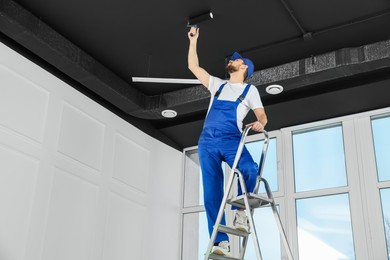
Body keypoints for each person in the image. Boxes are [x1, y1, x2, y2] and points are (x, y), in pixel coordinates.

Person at [187, 26, 268, 257]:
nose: (231, 62)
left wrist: (260, 122)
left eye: (236, 61)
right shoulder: (217, 85)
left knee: (250, 168)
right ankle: (221, 242)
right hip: (207, 142)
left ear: (243, 68)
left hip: (231, 139)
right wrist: (193, 41)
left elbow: (262, 115)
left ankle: (241, 211)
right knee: (212, 194)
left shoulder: (250, 90)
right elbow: (193, 66)